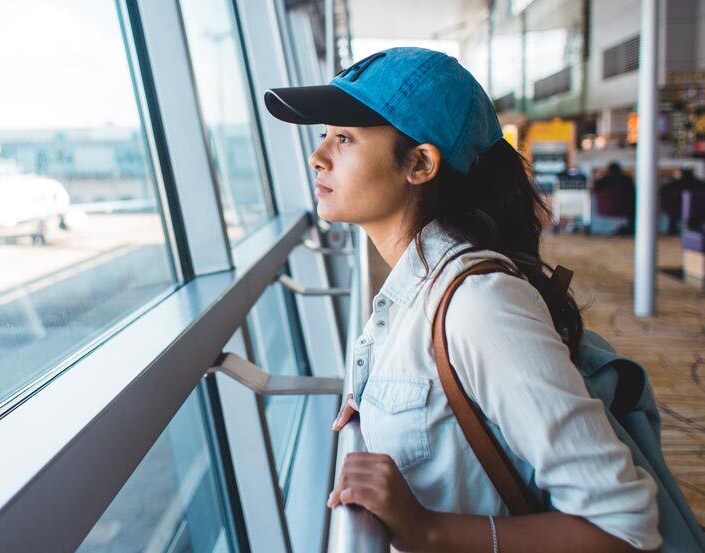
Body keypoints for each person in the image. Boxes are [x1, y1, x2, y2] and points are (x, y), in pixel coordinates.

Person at [264, 48, 660, 552]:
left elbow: (622, 527)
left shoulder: (480, 305)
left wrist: (428, 529)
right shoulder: (413, 291)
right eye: (324, 135)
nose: (318, 156)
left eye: (344, 138)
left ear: (421, 163)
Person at [593, 161, 635, 234]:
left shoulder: (604, 179)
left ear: (609, 170)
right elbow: (633, 192)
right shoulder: (627, 179)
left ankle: (592, 226)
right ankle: (631, 228)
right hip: (625, 208)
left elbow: (595, 190)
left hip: (605, 208)